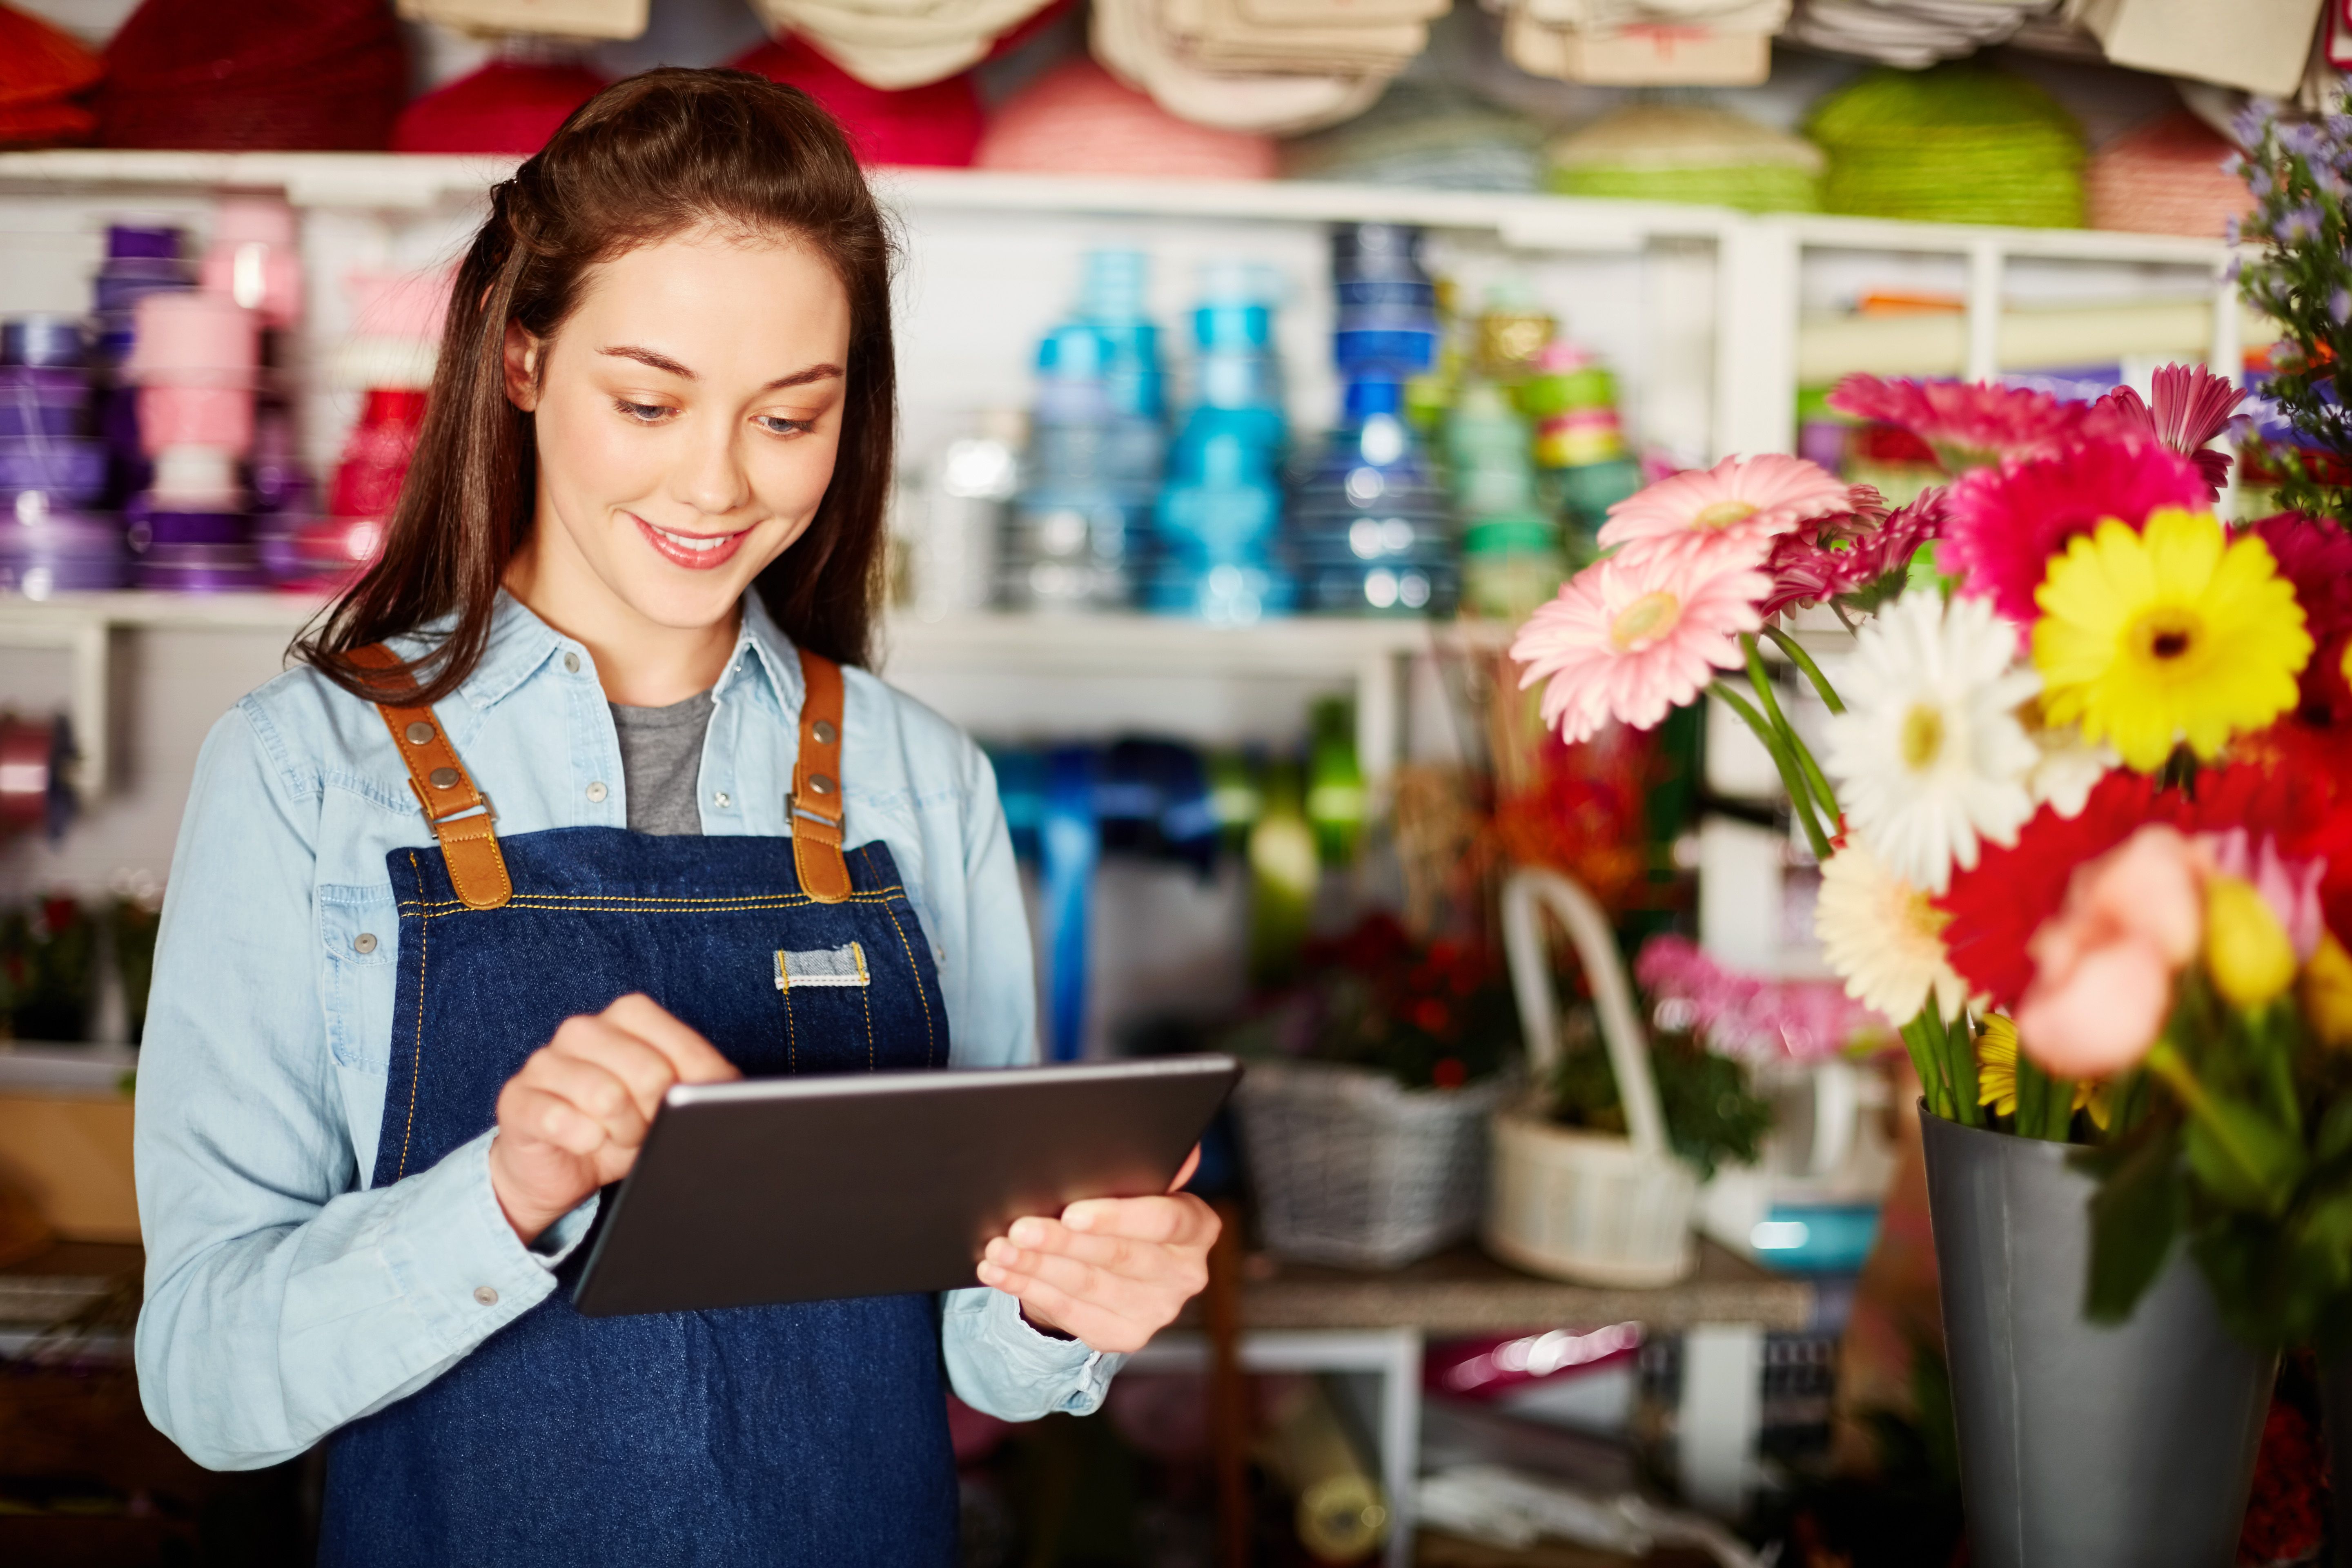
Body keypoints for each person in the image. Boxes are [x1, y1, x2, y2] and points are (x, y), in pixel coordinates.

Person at [131, 69, 1218, 1566]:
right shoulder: (310, 770)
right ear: (522, 361)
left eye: (790, 418)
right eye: (648, 402)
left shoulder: (917, 778)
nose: (717, 482)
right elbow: (202, 1380)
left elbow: (979, 1347)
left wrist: (1067, 1294)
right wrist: (503, 1195)